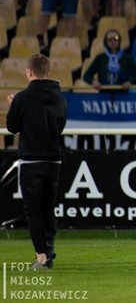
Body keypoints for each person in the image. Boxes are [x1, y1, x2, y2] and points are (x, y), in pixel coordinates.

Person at [5, 54, 66, 270]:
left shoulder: (22, 98)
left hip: (31, 161)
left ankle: (41, 256)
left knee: (34, 209)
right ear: (48, 72)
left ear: (29, 72)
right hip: (54, 160)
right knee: (48, 207)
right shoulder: (59, 97)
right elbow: (60, 126)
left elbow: (12, 127)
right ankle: (48, 250)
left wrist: (13, 106)